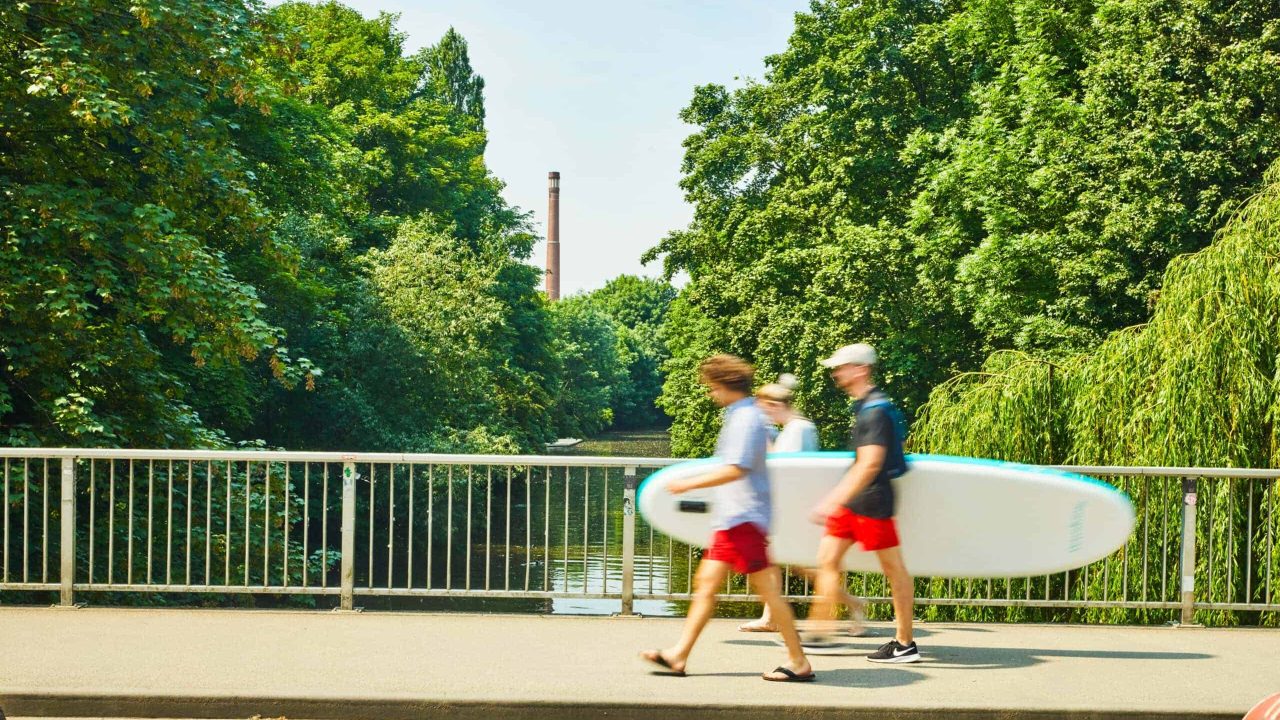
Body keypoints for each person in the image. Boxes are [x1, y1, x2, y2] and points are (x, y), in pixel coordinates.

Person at [641, 354, 815, 682]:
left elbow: (738, 468)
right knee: (706, 585)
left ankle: (798, 660)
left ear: (724, 384)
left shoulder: (748, 418)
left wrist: (686, 484)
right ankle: (679, 655)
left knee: (768, 593)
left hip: (744, 520)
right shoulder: (741, 415)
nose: (710, 394)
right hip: (732, 520)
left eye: (712, 387)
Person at [807, 343, 920, 663]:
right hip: (855, 501)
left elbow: (870, 464)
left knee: (894, 570)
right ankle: (820, 632)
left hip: (872, 502)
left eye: (842, 367)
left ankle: (905, 643)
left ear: (861, 369)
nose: (836, 373)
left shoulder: (876, 410)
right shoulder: (865, 407)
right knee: (826, 559)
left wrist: (833, 499)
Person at [738, 375, 867, 636]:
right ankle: (770, 615)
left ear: (774, 405)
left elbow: (786, 468)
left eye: (765, 409)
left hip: (793, 510)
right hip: (791, 509)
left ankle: (853, 604)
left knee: (800, 565)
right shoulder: (797, 428)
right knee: (775, 561)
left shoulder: (798, 430)